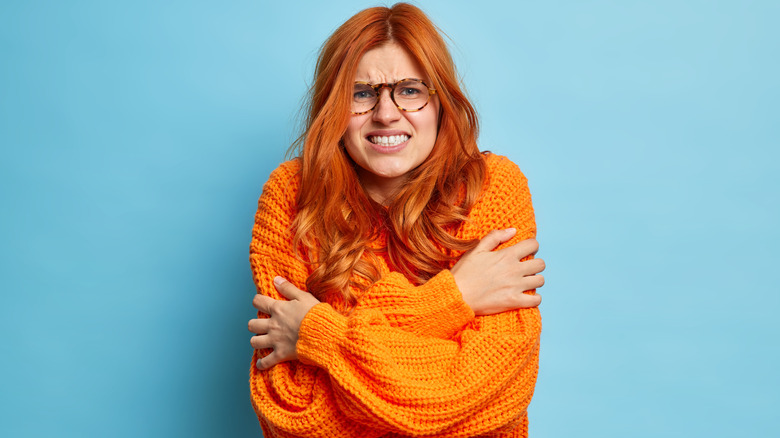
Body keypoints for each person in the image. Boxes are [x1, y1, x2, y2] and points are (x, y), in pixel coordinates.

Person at [247, 3, 546, 437]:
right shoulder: (292, 194)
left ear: (440, 100)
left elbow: (488, 391)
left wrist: (318, 335)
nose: (386, 113)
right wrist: (454, 297)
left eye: (409, 90)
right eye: (361, 93)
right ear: (334, 105)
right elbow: (291, 409)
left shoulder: (492, 187)